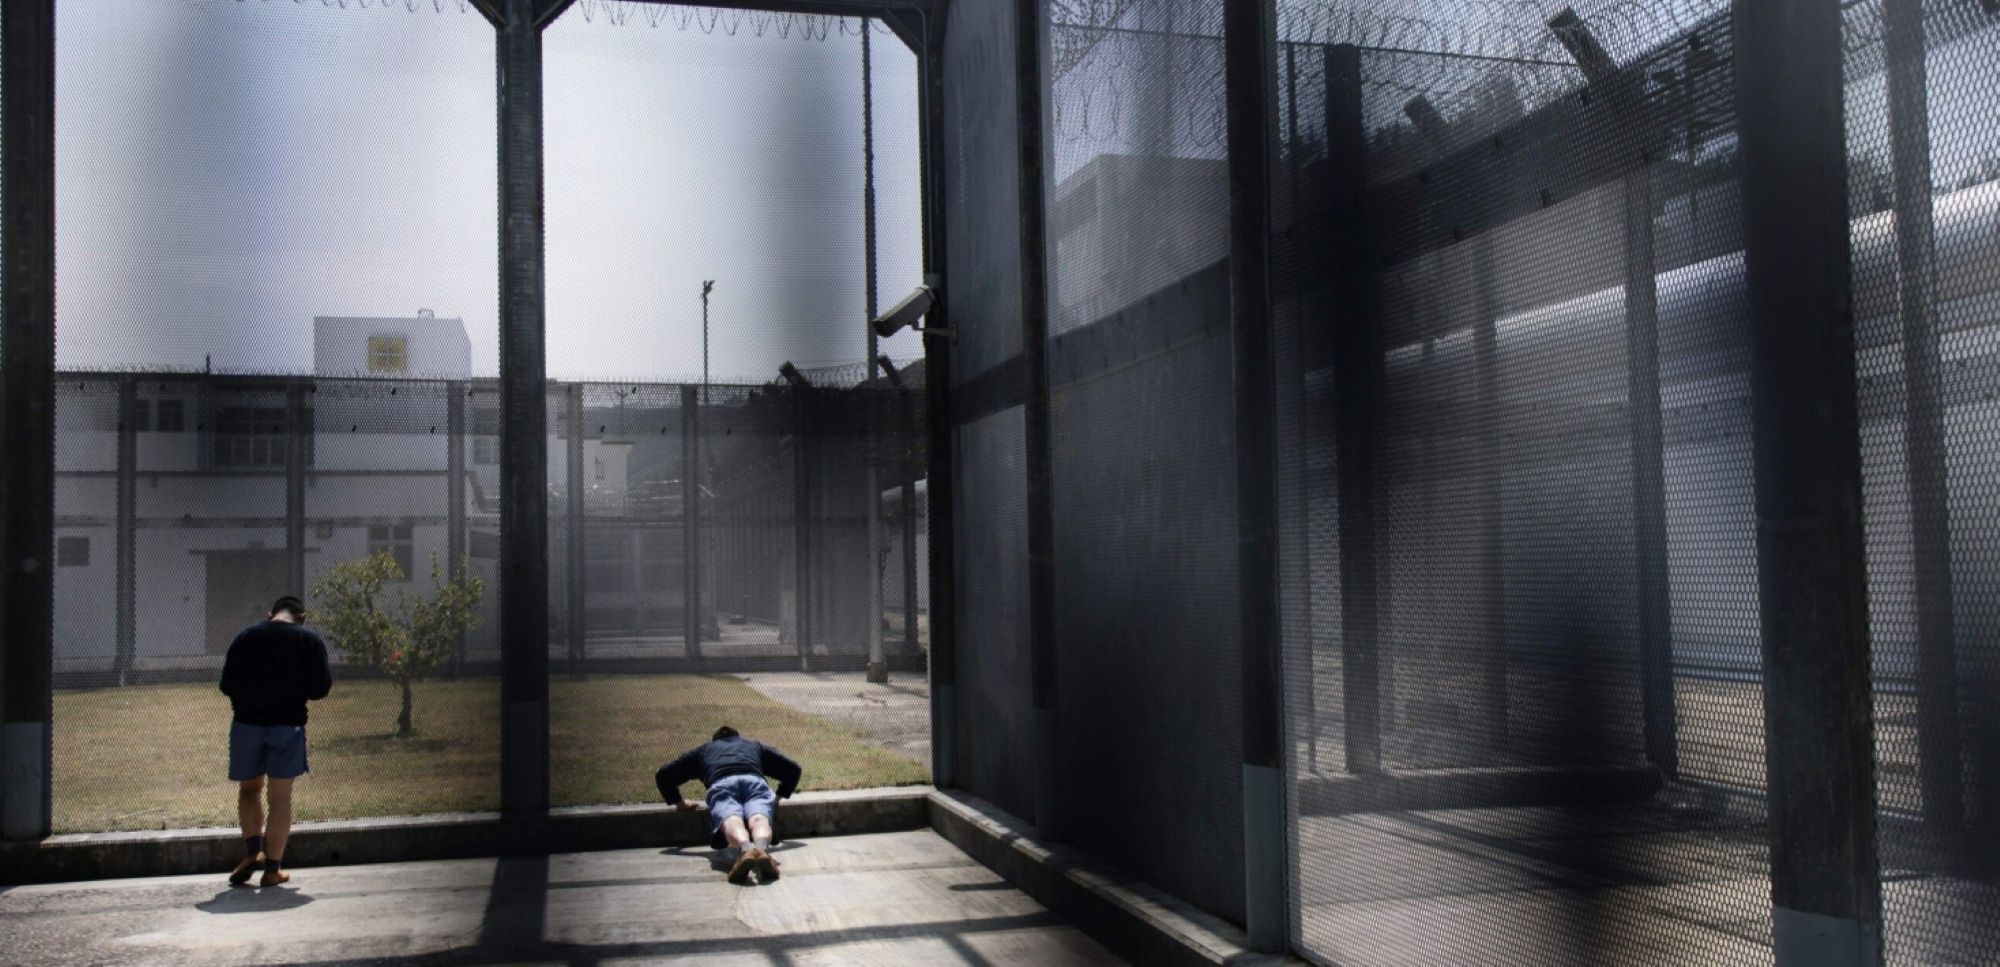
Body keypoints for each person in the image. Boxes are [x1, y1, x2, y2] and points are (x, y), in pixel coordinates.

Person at [218, 595, 333, 888]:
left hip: (247, 725)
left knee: (249, 790)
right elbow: (321, 689)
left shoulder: (246, 637)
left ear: (270, 615)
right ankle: (273, 870)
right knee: (280, 797)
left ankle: (252, 852)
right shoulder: (309, 641)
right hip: (287, 726)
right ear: (302, 617)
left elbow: (226, 684)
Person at [655, 726, 804, 884]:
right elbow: (793, 769)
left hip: (722, 783)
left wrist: (680, 803)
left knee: (731, 818)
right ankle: (761, 848)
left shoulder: (704, 750)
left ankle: (745, 849)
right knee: (759, 818)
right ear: (737, 738)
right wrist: (778, 797)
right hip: (754, 780)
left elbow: (664, 774)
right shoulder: (753, 746)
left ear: (715, 740)